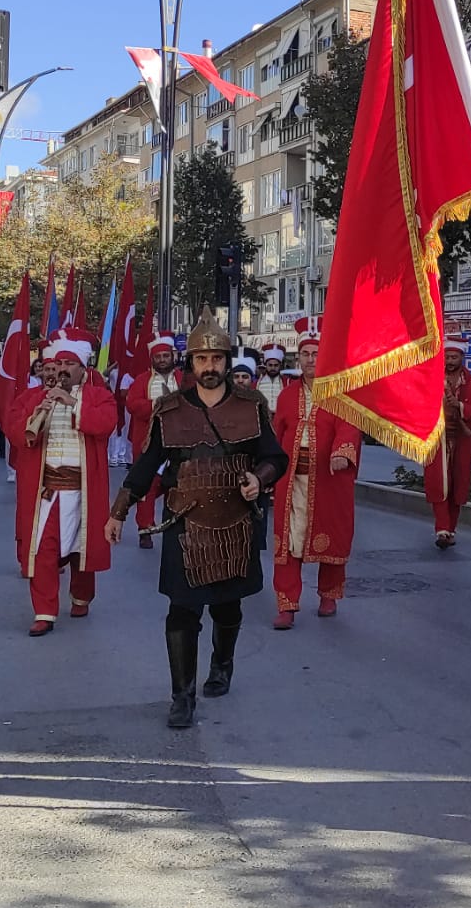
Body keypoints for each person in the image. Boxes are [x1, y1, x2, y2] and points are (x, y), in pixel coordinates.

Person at [109, 309, 287, 729]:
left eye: (218, 359)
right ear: (191, 363)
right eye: (203, 360)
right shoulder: (169, 409)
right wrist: (119, 511)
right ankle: (182, 696)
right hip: (184, 522)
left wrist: (258, 479)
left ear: (228, 361)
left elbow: (274, 457)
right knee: (182, 611)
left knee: (228, 607)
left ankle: (222, 666)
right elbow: (147, 462)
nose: (211, 367)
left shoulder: (252, 406)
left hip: (236, 520)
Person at [9, 333, 116, 636]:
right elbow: (14, 428)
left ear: (83, 368)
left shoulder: (98, 395)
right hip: (48, 490)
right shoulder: (33, 397)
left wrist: (71, 403)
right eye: (58, 363)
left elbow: (105, 424)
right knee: (44, 549)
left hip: (83, 488)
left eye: (70, 363)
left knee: (82, 549)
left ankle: (81, 597)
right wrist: (37, 414)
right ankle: (44, 611)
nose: (63, 369)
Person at [271, 322, 360, 627]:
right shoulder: (285, 396)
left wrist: (341, 452)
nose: (310, 359)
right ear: (299, 359)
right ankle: (287, 603)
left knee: (331, 537)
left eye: (316, 354)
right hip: (292, 480)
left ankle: (328, 595)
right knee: (289, 541)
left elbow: (348, 427)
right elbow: (276, 434)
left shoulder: (341, 394)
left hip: (328, 480)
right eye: (305, 354)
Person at [122, 332, 187, 549]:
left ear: (172, 356)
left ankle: (177, 526)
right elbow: (132, 404)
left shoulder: (184, 379)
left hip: (180, 442)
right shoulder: (142, 380)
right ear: (152, 359)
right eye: (158, 357)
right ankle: (145, 528)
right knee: (146, 486)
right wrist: (158, 404)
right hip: (149, 442)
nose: (162, 360)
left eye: (165, 356)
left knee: (180, 485)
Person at [424, 341, 471, 548]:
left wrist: (458, 405)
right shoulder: (431, 380)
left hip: (461, 438)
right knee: (439, 484)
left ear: (462, 358)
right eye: (447, 357)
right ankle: (441, 529)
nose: (450, 362)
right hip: (437, 438)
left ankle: (451, 529)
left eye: (454, 358)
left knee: (457, 485)